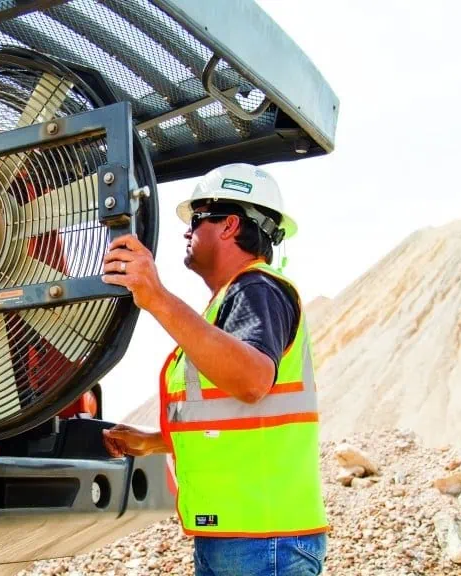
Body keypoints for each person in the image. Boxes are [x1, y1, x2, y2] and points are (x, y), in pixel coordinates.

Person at [100, 163, 328, 575]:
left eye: (198, 219)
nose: (187, 231)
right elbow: (231, 419)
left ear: (229, 225)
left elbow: (251, 381)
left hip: (263, 541)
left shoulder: (256, 288)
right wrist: (152, 442)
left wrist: (155, 296)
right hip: (245, 536)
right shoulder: (230, 302)